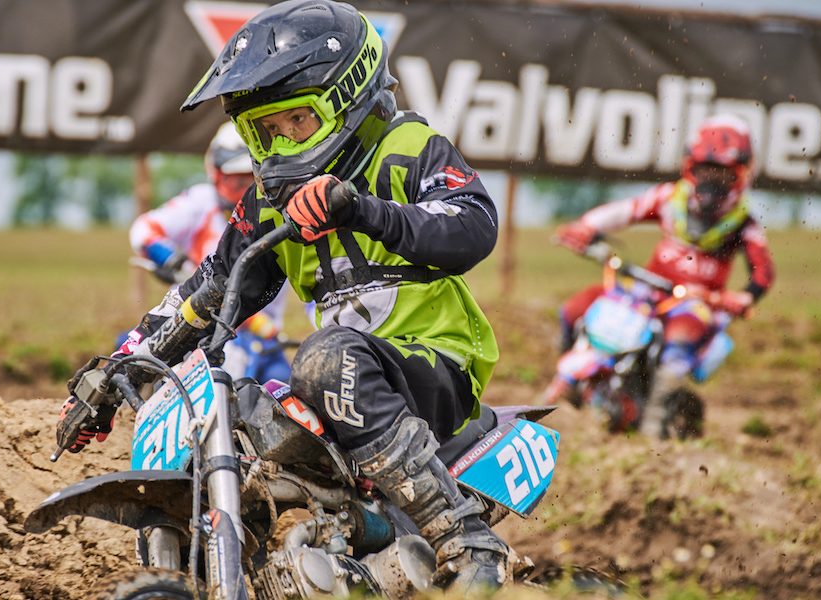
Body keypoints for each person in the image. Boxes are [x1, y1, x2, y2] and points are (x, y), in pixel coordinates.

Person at [62, 0, 508, 591]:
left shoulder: (407, 146)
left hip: (434, 364)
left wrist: (363, 209)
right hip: (342, 384)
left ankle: (466, 539)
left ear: (346, 98)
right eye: (265, 130)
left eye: (296, 120)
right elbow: (209, 291)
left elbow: (473, 225)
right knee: (238, 410)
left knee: (325, 357)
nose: (281, 141)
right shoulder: (268, 203)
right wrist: (118, 369)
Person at [553, 114, 776, 436]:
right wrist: (586, 226)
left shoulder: (744, 221)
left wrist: (744, 297)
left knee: (678, 343)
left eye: (722, 172)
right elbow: (625, 211)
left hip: (697, 302)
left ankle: (654, 424)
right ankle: (573, 385)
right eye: (706, 170)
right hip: (646, 289)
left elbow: (763, 271)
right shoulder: (671, 198)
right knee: (577, 308)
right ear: (691, 167)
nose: (712, 180)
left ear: (740, 173)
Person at [129, 123, 291, 382]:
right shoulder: (201, 201)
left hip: (262, 339)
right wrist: (170, 259)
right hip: (194, 325)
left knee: (286, 383)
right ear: (215, 174)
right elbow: (143, 229)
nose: (246, 193)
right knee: (134, 356)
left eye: (253, 180)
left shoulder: (286, 213)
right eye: (237, 181)